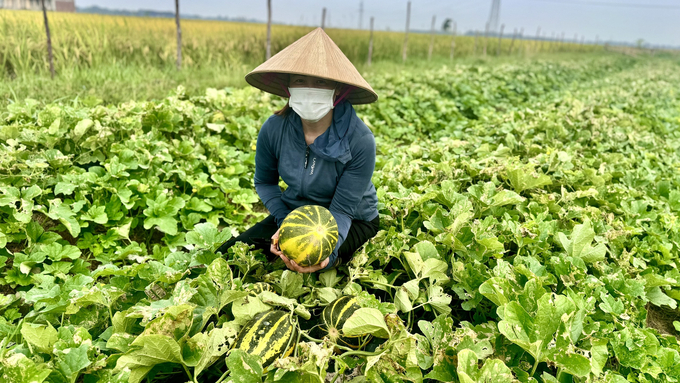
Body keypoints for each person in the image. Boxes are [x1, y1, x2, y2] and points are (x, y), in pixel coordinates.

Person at [216, 28, 380, 274]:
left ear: (336, 89)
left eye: (321, 81)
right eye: (301, 80)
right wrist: (285, 222)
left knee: (317, 267)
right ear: (289, 86)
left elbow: (343, 210)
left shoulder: (360, 140)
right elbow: (264, 182)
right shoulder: (274, 129)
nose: (310, 87)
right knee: (229, 255)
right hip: (295, 213)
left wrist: (328, 255)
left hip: (353, 219)